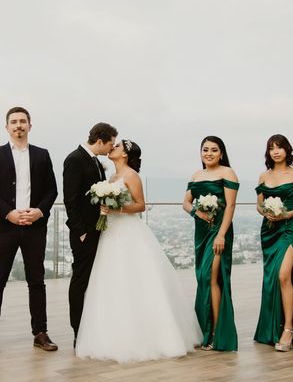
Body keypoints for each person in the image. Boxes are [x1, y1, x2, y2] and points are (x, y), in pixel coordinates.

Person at [76, 140, 201, 362]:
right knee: (111, 283)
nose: (112, 148)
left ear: (125, 154)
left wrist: (117, 207)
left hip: (128, 231)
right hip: (111, 233)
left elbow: (141, 205)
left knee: (135, 280)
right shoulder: (111, 177)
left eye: (117, 146)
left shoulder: (131, 175)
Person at [0, 107, 58, 355]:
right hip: (4, 226)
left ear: (30, 126)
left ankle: (40, 332)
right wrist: (9, 213)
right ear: (7, 127)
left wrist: (39, 211)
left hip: (35, 227)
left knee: (37, 281)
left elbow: (52, 191)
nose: (18, 125)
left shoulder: (42, 155)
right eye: (13, 122)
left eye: (23, 121)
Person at [253, 135, 293, 351]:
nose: (275, 151)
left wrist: (285, 215)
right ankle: (271, 326)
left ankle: (288, 329)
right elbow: (259, 205)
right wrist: (266, 211)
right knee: (272, 279)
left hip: (287, 229)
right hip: (268, 231)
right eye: (271, 148)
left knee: (285, 275)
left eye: (279, 147)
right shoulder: (263, 176)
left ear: (287, 150)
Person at [63, 122, 118, 344]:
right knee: (81, 280)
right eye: (110, 144)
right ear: (99, 141)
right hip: (84, 232)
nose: (111, 149)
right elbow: (70, 199)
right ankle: (78, 330)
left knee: (94, 279)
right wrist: (81, 232)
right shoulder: (74, 159)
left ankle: (92, 327)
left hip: (97, 229)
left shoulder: (96, 161)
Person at [183, 136, 239, 351]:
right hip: (201, 233)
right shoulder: (196, 175)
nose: (208, 153)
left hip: (219, 231)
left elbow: (231, 206)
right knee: (203, 279)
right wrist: (197, 212)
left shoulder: (227, 173)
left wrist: (221, 235)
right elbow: (186, 203)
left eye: (214, 150)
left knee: (211, 276)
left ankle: (216, 332)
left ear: (221, 153)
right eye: (205, 150)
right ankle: (205, 329)